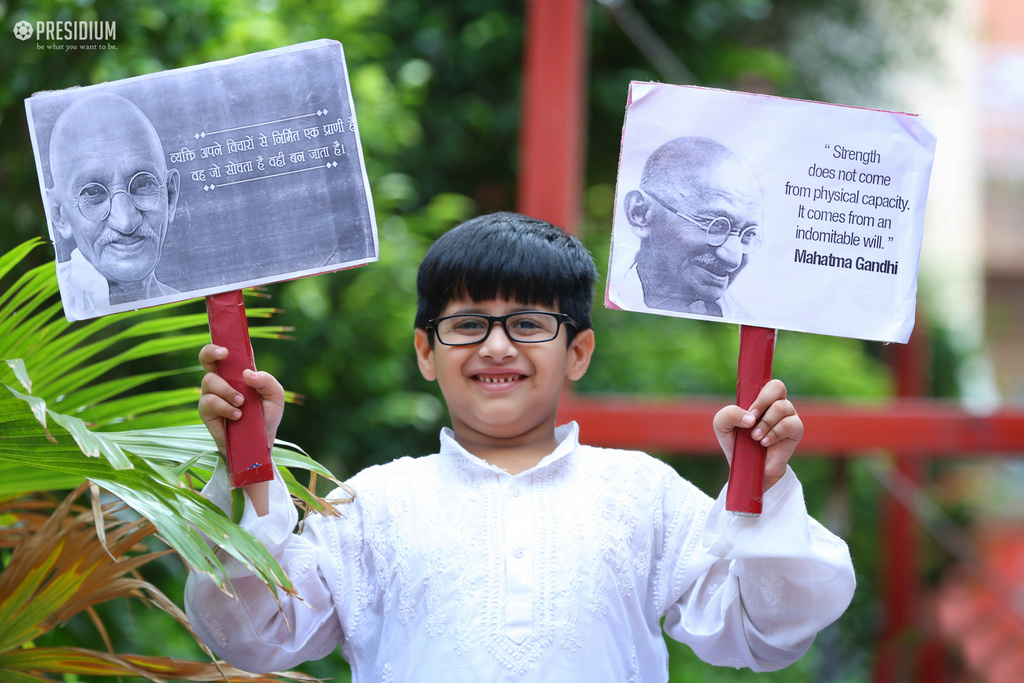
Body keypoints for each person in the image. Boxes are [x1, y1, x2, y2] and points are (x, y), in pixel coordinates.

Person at [184, 212, 855, 681]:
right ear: (426, 350)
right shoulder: (371, 503)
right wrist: (251, 464)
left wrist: (760, 488)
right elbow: (251, 635)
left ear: (579, 351)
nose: (497, 346)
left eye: (529, 323)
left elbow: (762, 633)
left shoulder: (641, 493)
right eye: (468, 323)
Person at [46, 92, 180, 318]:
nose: (126, 221)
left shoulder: (191, 313)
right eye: (93, 192)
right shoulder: (44, 327)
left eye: (143, 184)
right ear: (59, 215)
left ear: (170, 195)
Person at [617, 136, 762, 318]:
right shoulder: (591, 297)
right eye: (715, 225)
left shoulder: (741, 325)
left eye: (746, 235)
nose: (734, 259)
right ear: (640, 213)